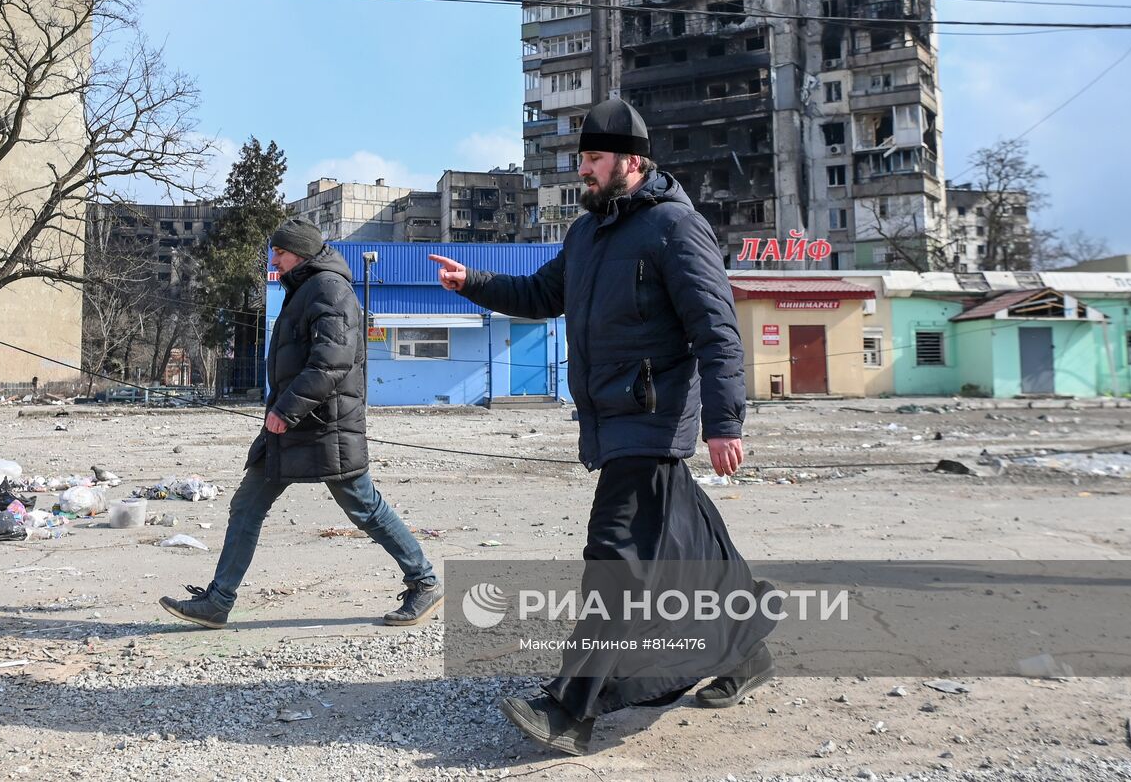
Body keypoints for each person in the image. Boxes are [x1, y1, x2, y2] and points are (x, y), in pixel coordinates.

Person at [429, 99, 773, 755]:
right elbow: (538, 296)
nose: (582, 170)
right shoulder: (585, 236)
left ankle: (571, 707)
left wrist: (725, 421)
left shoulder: (676, 228)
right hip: (611, 423)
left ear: (632, 163)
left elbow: (717, 332)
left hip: (651, 420)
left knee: (614, 558)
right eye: (580, 159)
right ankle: (745, 650)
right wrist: (473, 281)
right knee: (696, 556)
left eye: (592, 159)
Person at [161, 218, 443, 629]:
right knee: (247, 505)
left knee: (363, 506)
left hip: (324, 425)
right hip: (294, 423)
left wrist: (285, 410)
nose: (273, 258)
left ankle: (425, 581)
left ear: (302, 253)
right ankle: (218, 602)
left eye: (280, 251)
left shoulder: (330, 289)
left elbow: (332, 361)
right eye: (273, 251)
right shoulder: (303, 289)